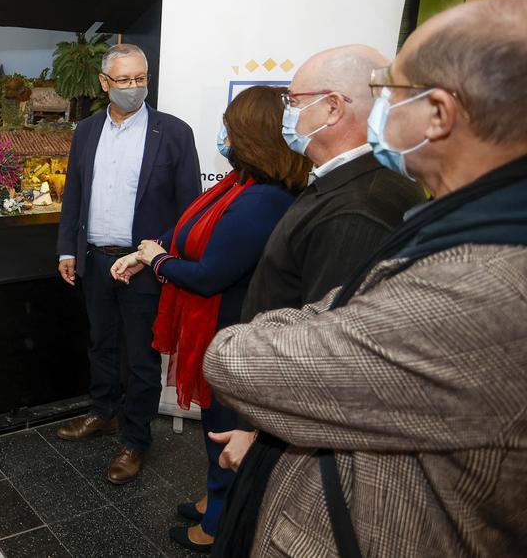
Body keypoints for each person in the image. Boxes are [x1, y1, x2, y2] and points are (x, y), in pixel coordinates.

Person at [203, 0, 527, 557]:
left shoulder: (478, 287)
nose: (380, 106)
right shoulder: (465, 225)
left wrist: (308, 328)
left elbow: (236, 358)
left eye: (392, 91)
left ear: (439, 115)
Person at [205, 45, 425, 555]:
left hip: (289, 431)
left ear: (331, 108)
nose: (284, 111)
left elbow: (327, 349)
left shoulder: (360, 207)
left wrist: (259, 430)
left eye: (292, 99)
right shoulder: (337, 185)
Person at [110, 85, 310, 553]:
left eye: (231, 125)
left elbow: (206, 276)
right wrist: (146, 253)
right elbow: (187, 230)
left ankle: (220, 521)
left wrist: (156, 262)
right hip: (215, 329)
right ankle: (214, 498)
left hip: (232, 333)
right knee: (217, 429)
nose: (223, 135)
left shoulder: (266, 199)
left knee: (224, 429)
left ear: (251, 133)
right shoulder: (239, 183)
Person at [54, 43, 201, 485]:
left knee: (140, 358)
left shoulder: (173, 133)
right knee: (101, 344)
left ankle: (135, 440)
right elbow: (74, 195)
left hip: (143, 266)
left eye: (141, 79)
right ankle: (103, 413)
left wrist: (149, 254)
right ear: (105, 83)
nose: (134, 88)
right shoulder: (85, 131)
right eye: (124, 80)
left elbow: (189, 211)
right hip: (95, 261)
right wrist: (67, 250)